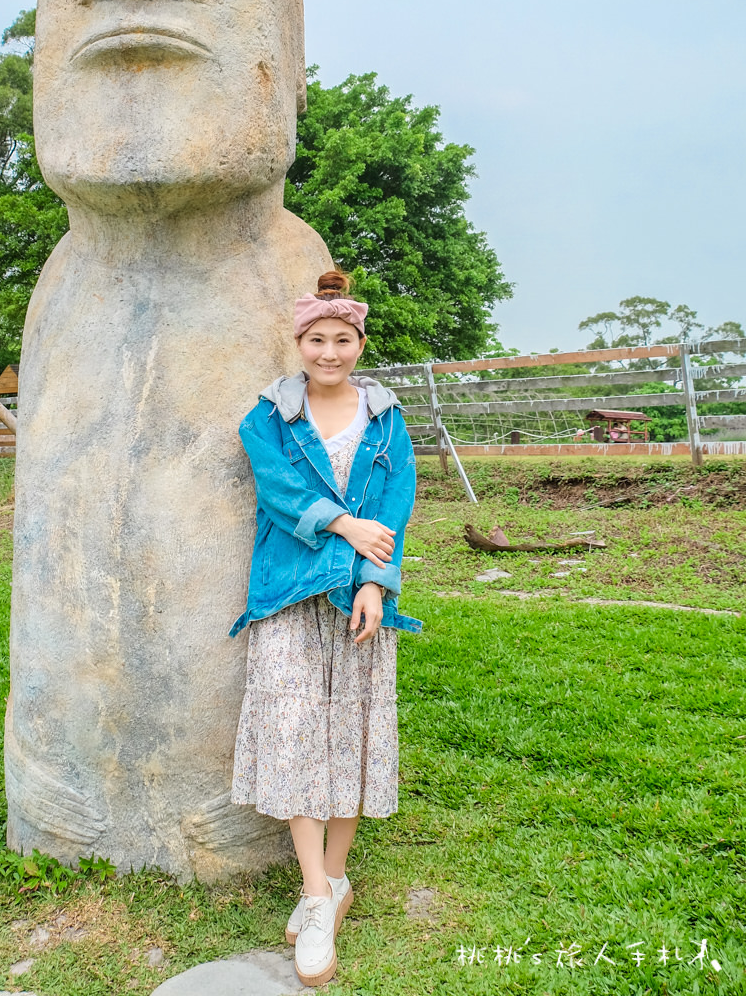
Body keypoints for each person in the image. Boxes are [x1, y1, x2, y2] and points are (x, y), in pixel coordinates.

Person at [230, 269, 422, 987]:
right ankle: (314, 894)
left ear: (360, 342)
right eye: (318, 339)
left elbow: (397, 498)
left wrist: (377, 579)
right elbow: (278, 491)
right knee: (294, 733)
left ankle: (334, 882)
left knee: (350, 732)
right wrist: (343, 522)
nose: (331, 352)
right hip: (287, 590)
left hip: (360, 598)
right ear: (299, 342)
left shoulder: (387, 418)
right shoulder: (268, 416)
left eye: (343, 339)